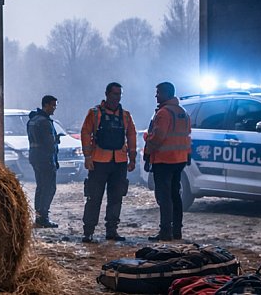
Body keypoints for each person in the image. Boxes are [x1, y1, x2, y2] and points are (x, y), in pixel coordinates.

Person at [80, 82, 137, 243]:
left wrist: (132, 158)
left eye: (119, 95)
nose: (117, 98)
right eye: (114, 94)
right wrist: (87, 157)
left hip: (119, 162)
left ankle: (112, 230)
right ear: (107, 94)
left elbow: (131, 136)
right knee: (94, 197)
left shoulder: (125, 115)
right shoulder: (94, 113)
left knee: (116, 198)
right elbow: (85, 132)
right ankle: (88, 231)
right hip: (98, 162)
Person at [144, 82, 191, 241]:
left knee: (164, 197)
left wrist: (147, 145)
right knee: (175, 195)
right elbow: (187, 136)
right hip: (179, 160)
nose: (156, 95)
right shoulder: (182, 112)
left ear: (165, 93)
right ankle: (177, 230)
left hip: (164, 160)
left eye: (158, 92)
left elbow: (158, 137)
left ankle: (165, 232)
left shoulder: (164, 113)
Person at [27, 95, 61, 228]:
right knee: (49, 188)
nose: (54, 109)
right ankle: (44, 217)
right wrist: (56, 140)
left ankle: (39, 216)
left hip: (35, 157)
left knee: (40, 187)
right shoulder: (45, 122)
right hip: (45, 158)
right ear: (45, 105)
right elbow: (49, 144)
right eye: (52, 106)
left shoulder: (33, 120)